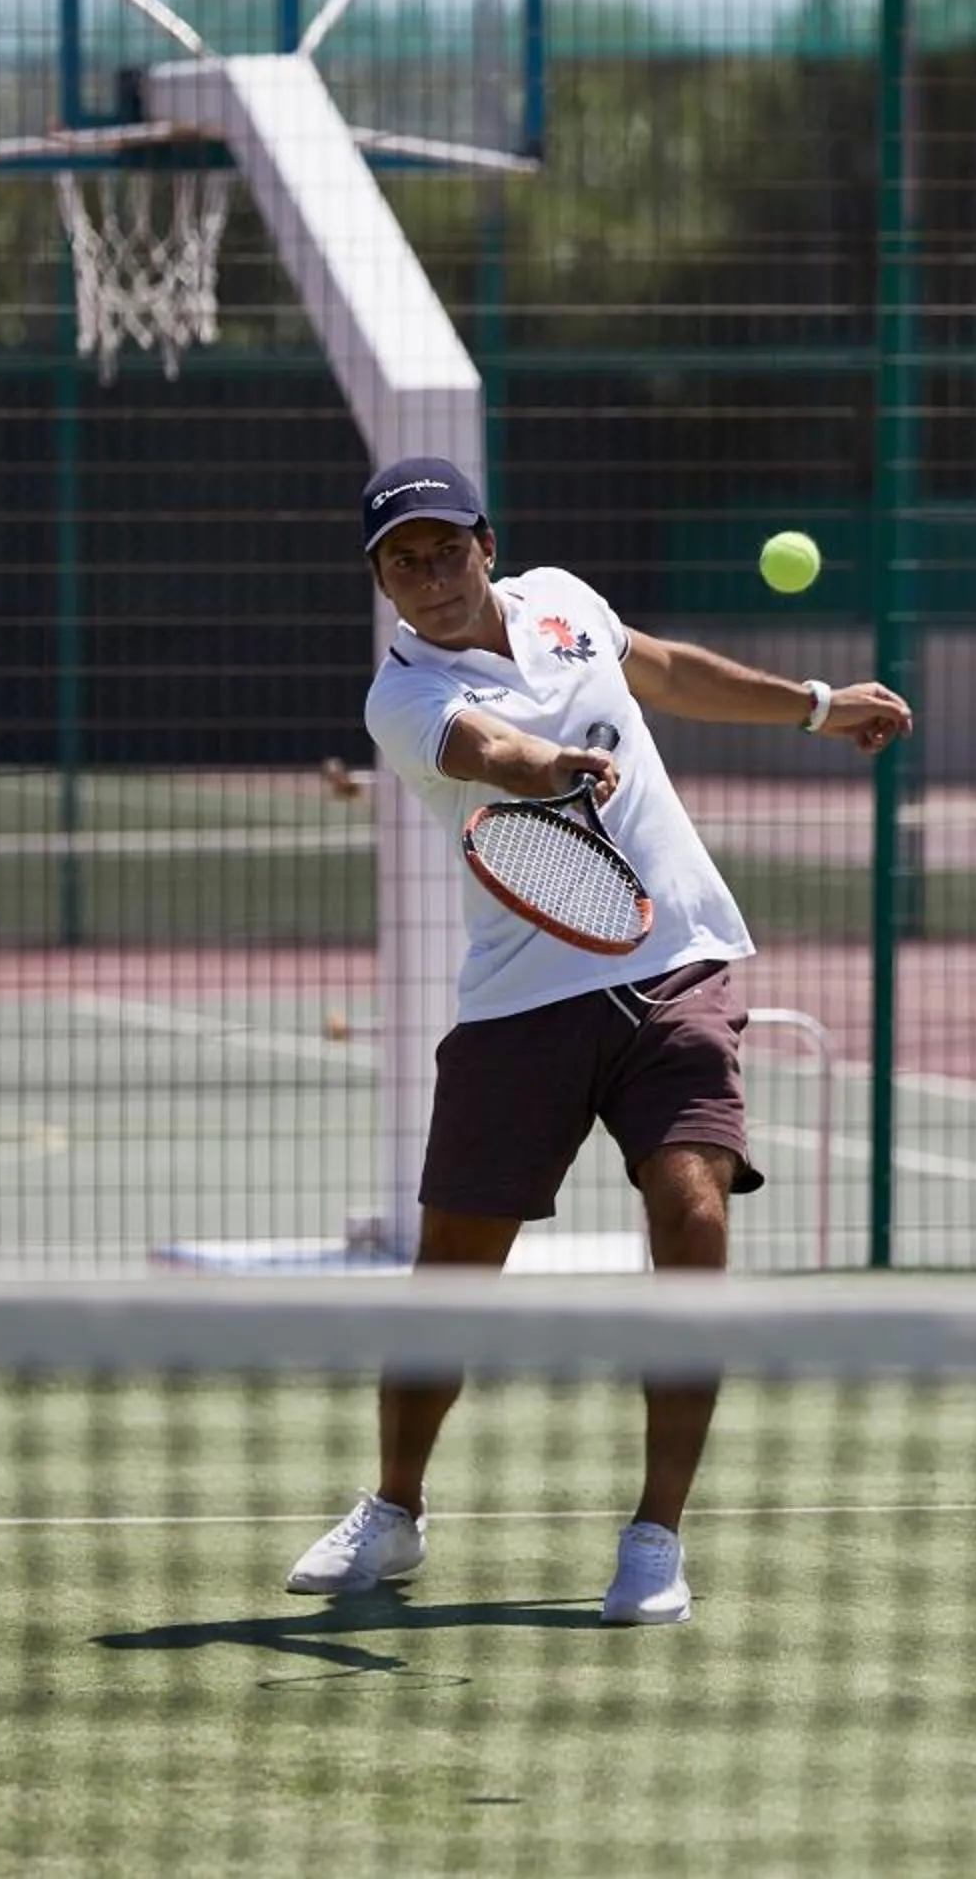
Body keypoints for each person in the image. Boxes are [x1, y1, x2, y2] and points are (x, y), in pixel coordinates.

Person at [286, 456, 913, 1626]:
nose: (425, 578)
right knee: (450, 1286)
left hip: (678, 960)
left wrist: (818, 707)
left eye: (442, 550)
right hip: (522, 1005)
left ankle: (654, 1539)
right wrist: (550, 766)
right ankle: (395, 1510)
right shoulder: (402, 694)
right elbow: (487, 752)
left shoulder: (565, 601)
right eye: (398, 563)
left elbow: (665, 671)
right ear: (382, 581)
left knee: (695, 1213)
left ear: (487, 543)